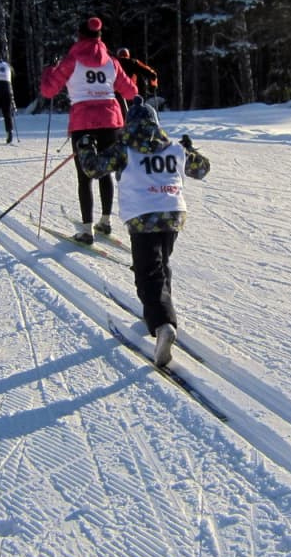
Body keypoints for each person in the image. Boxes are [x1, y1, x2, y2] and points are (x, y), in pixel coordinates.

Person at [76, 96, 210, 366]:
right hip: (173, 213)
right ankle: (160, 309)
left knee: (146, 272)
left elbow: (92, 169)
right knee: (160, 263)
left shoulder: (124, 148)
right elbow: (203, 168)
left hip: (142, 215)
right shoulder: (173, 147)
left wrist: (85, 147)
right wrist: (190, 149)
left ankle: (162, 324)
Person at [39, 17, 139, 243]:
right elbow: (131, 92)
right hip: (111, 121)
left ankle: (86, 229)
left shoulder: (72, 60)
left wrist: (49, 69)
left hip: (83, 122)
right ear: (100, 37)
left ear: (80, 36)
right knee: (105, 172)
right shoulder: (112, 62)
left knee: (85, 176)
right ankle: (105, 221)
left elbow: (48, 90)